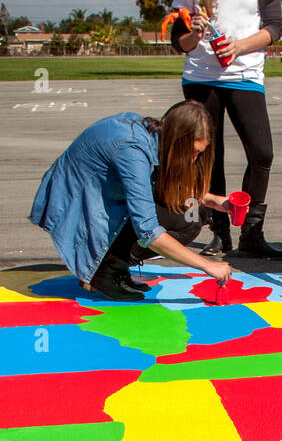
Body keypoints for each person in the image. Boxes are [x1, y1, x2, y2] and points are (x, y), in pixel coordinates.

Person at [169, 0, 282, 261]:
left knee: (262, 152)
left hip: (245, 74)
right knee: (208, 157)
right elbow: (179, 43)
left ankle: (252, 231)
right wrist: (195, 35)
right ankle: (220, 234)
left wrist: (239, 46)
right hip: (201, 78)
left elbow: (275, 27)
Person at [28, 102, 234, 300]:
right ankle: (104, 269)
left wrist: (212, 199)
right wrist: (207, 265)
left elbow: (158, 184)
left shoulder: (149, 133)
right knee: (188, 219)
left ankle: (113, 266)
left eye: (199, 153)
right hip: (78, 211)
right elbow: (147, 231)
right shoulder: (132, 151)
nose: (193, 160)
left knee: (193, 211)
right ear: (176, 140)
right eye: (193, 152)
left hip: (97, 202)